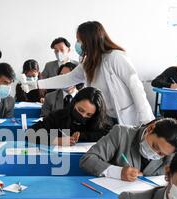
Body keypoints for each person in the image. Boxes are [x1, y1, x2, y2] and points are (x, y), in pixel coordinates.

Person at [21, 21, 154, 126]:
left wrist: (147, 121)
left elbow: (135, 87)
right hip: (105, 118)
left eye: (79, 40)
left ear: (90, 40)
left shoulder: (115, 57)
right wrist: (37, 84)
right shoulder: (88, 63)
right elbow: (67, 79)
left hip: (127, 118)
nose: (77, 44)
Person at [79, 118, 177, 180]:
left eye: (161, 154)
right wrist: (118, 172)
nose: (155, 154)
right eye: (155, 146)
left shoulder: (172, 154)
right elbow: (87, 160)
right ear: (150, 128)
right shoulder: (121, 133)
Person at [29, 87, 112, 145]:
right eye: (80, 110)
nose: (83, 115)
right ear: (74, 102)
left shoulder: (97, 120)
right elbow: (29, 133)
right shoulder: (58, 116)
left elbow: (108, 134)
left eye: (89, 114)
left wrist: (83, 135)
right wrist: (57, 141)